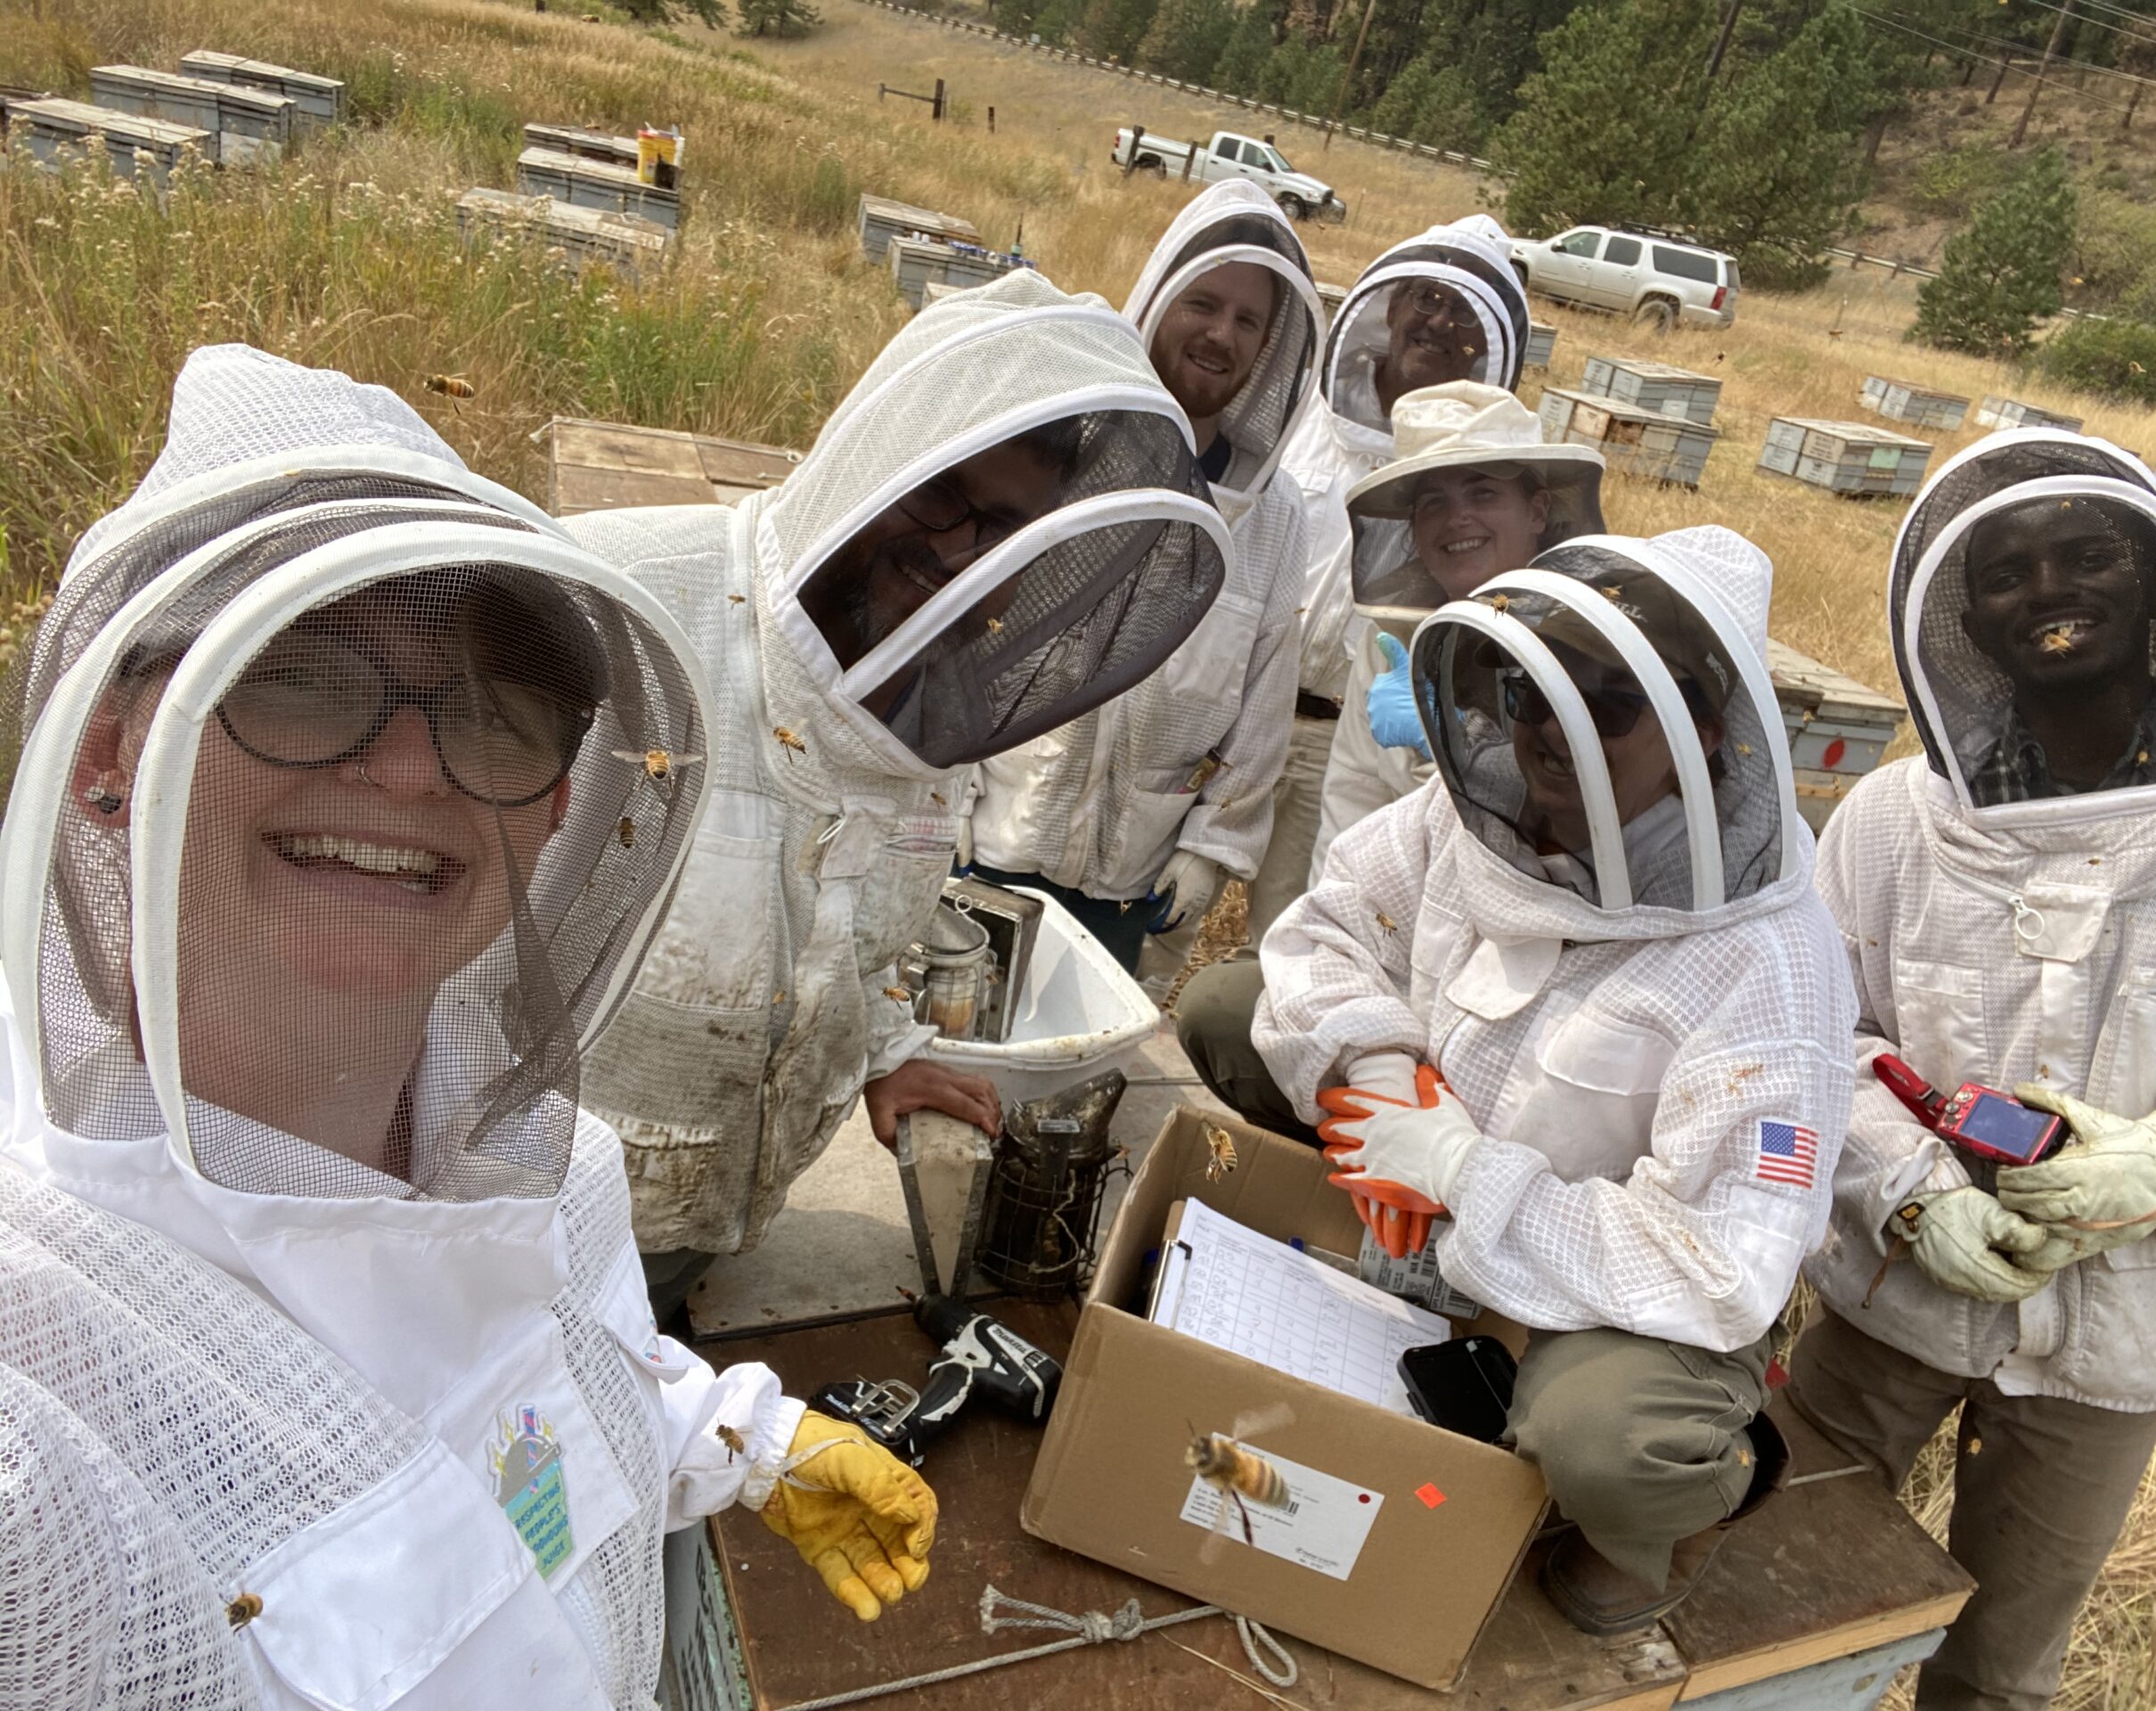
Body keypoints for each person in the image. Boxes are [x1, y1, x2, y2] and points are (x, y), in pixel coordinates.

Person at [0, 348, 942, 1710]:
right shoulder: (39, 1392)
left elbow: (508, 1388)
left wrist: (737, 1437)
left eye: (495, 715)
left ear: (556, 808)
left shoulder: (555, 1168)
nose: (406, 769)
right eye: (298, 673)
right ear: (108, 748)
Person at [564, 270, 1231, 1311]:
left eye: (1006, 532)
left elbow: (845, 934)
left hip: (688, 1241)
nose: (957, 552)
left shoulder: (934, 710)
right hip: (511, 1231)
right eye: (940, 494)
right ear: (876, 460)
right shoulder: (620, 599)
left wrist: (881, 1052)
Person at [1245, 527, 1857, 1634]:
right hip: (1432, 1165)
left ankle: (1697, 1499)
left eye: (1608, 704)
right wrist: (1380, 1067)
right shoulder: (1468, 817)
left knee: (1607, 1442)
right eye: (1532, 692)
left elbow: (1721, 1265)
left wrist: (1468, 1175)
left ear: (1700, 733)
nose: (1552, 729)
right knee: (1222, 1011)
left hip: (1616, 1278)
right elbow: (1329, 927)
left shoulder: (1768, 963)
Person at [1790, 429, 2156, 1711]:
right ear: (1964, 628)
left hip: (2115, 1344)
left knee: (2000, 1669)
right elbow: (1811, 1037)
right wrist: (1907, 1191)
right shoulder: (1893, 820)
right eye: (2005, 576)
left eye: (2087, 557)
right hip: (1889, 1299)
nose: (2048, 591)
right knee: (1773, 1588)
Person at [1176, 381, 1603, 1092]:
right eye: (1432, 501)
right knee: (1226, 1008)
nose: (1457, 518)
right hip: (1417, 946)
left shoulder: (1591, 643)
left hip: (1552, 976)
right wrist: (1349, 973)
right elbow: (1350, 815)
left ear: (1537, 508)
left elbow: (1577, 846)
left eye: (1483, 492)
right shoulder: (1392, 641)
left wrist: (1453, 756)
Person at [960, 183, 1320, 987]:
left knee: (1080, 1060)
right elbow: (960, 629)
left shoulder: (1274, 515)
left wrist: (1214, 847)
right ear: (1159, 300)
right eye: (1204, 304)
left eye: (1248, 321)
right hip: (991, 838)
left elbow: (1264, 698)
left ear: (1270, 346)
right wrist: (944, 790)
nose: (1221, 334)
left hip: (1130, 881)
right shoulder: (1059, 444)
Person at [1245, 215, 1530, 943]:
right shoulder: (1299, 413)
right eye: (1426, 298)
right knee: (1164, 904)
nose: (1439, 322)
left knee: (1303, 927)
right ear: (1391, 304)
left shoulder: (1471, 460)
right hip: (1243, 708)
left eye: (1462, 311)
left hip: (1353, 728)